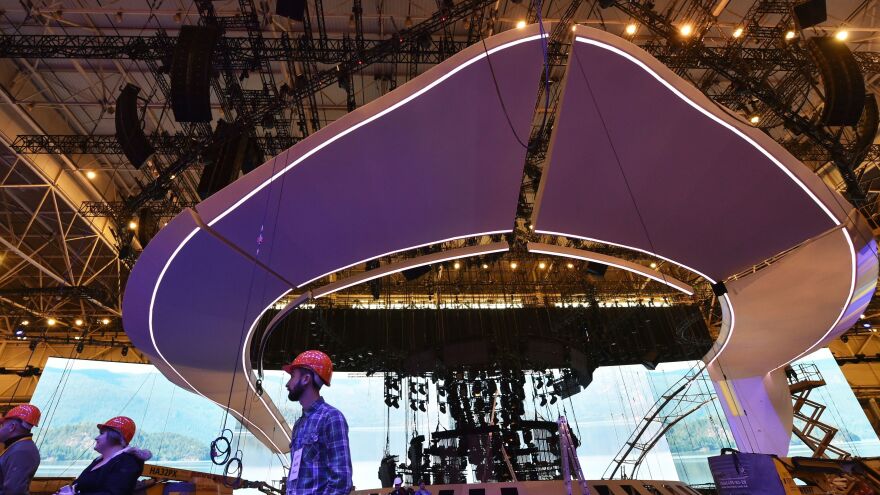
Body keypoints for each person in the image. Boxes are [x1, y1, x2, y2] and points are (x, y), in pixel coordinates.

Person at [284, 350, 352, 495]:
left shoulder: (332, 417)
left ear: (306, 379)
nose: (288, 383)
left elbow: (341, 480)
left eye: (292, 376)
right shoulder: (299, 425)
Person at [56, 416, 152, 495]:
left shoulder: (127, 462)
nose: (96, 438)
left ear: (114, 436)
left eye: (102, 434)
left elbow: (114, 493)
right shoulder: (98, 460)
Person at [0, 404, 41, 495]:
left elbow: (14, 491)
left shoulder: (22, 452)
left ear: (12, 427)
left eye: (1, 425)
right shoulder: (17, 447)